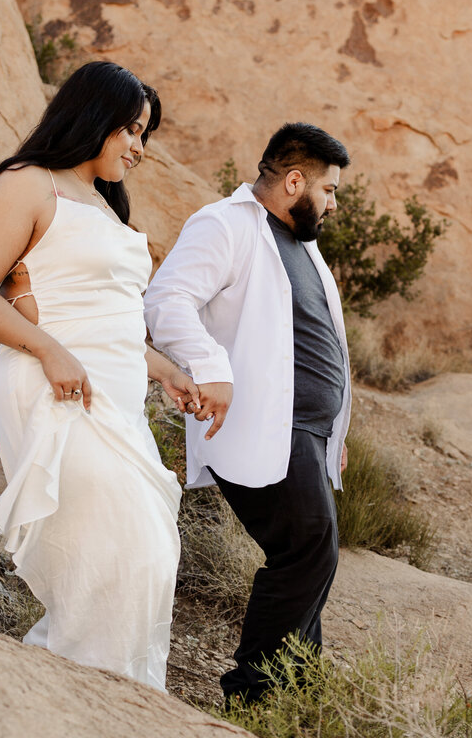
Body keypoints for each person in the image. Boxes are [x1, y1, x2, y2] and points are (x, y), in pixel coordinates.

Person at [0, 61, 200, 691]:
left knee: (149, 553)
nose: (139, 148)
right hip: (51, 387)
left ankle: (117, 699)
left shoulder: (105, 205)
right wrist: (50, 351)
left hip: (116, 401)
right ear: (94, 117)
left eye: (144, 134)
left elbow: (108, 320)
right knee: (118, 546)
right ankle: (73, 696)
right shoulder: (27, 184)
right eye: (132, 130)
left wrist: (164, 367)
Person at [143, 122, 352, 703]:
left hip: (308, 432)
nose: (332, 204)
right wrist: (211, 368)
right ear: (293, 181)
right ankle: (255, 692)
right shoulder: (224, 224)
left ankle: (296, 686)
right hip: (265, 428)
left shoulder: (299, 243)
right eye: (329, 190)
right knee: (305, 548)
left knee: (315, 553)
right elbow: (166, 302)